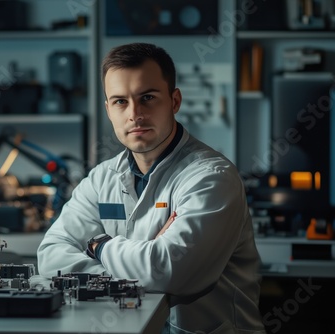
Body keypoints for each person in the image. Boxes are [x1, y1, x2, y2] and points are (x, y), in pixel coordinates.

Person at [37, 42, 265, 334]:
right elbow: (51, 254)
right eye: (120, 101)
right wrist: (135, 269)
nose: (135, 114)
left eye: (147, 97)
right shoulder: (101, 178)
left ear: (174, 101)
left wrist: (99, 246)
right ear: (108, 110)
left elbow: (170, 271)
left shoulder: (212, 177)